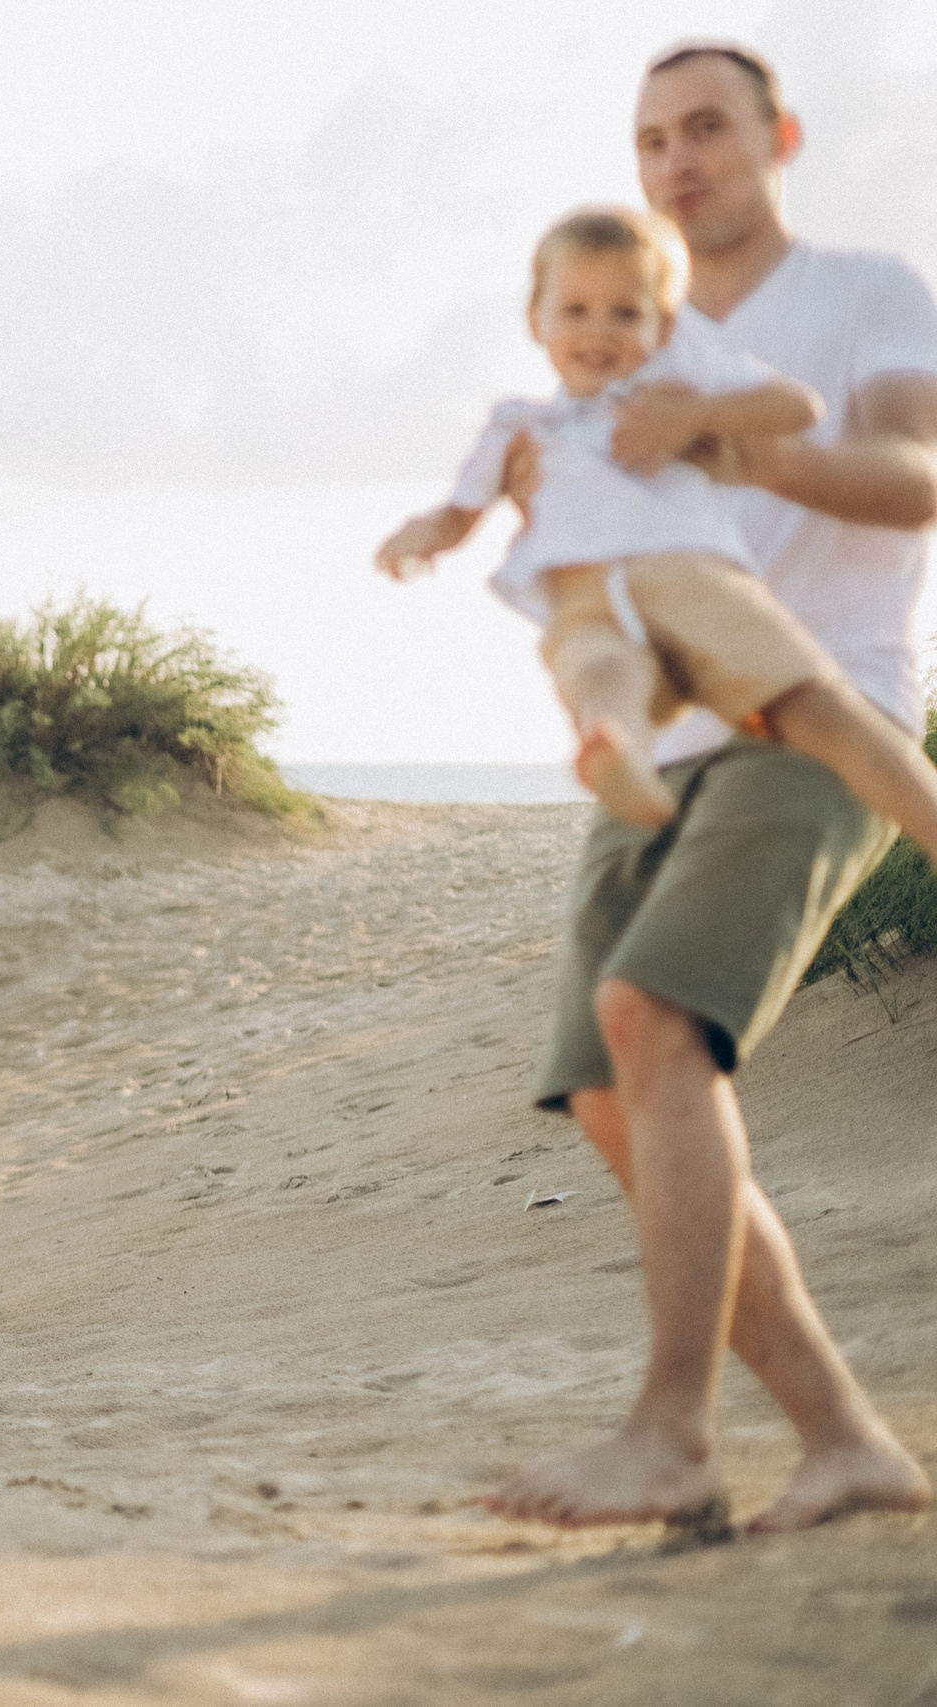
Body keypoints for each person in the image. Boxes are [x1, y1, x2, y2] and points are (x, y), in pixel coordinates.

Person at [487, 41, 937, 1533]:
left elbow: (912, 474)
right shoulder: (619, 318)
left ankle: (672, 1430)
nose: (676, 159)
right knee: (617, 1094)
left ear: (777, 137)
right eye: (650, 137)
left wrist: (718, 437)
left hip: (818, 717)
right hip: (661, 748)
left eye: (706, 129)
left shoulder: (862, 292)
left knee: (653, 1016)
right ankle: (845, 1438)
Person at [377, 207, 937, 848]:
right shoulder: (519, 424)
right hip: (582, 591)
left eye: (626, 312)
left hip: (685, 572)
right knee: (597, 673)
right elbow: (462, 509)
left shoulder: (670, 385)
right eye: (576, 310)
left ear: (664, 326)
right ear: (537, 318)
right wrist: (422, 536)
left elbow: (796, 407)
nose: (599, 331)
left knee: (816, 707)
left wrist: (696, 416)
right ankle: (619, 755)